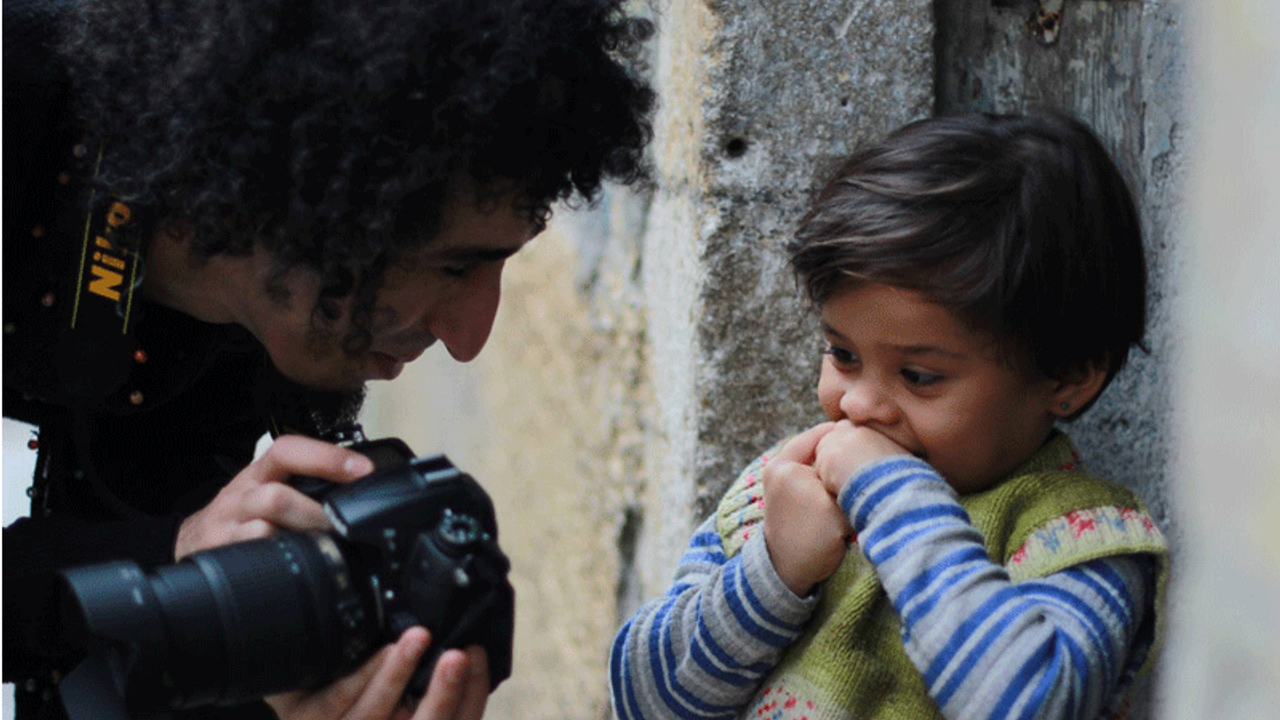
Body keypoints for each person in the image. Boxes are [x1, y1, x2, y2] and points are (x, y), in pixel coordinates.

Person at [2, 0, 654, 719]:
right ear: (290, 197)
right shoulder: (19, 110)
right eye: (453, 268)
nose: (471, 337)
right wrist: (173, 546)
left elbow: (92, 641)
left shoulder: (243, 329)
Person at [609, 112, 1169, 720]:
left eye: (919, 376)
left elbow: (1030, 704)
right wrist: (771, 571)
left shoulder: (1080, 540)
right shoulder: (783, 493)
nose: (857, 404)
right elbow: (642, 700)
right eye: (843, 355)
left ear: (1066, 377)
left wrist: (892, 495)